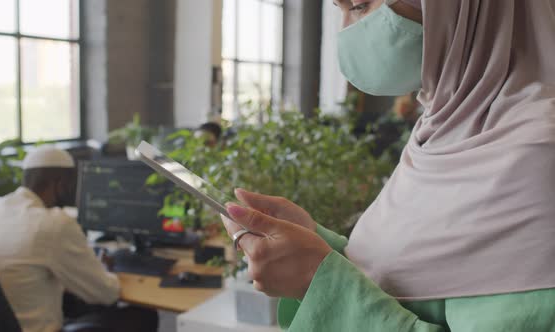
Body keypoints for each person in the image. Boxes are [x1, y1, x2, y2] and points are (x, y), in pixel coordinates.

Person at [221, 0, 555, 331]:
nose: (348, 34)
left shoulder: (541, 161)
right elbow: (423, 283)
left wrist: (320, 284)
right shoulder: (441, 130)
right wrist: (320, 250)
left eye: (360, 5)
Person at [0, 146, 158, 332]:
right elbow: (107, 293)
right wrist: (105, 271)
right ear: (60, 184)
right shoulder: (54, 223)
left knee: (82, 303)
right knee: (143, 316)